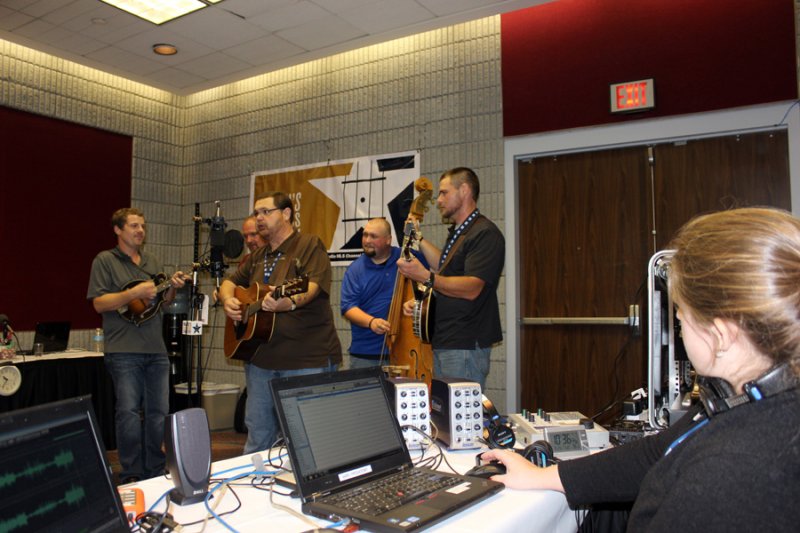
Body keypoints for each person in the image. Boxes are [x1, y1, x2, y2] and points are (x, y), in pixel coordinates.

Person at [482, 207, 800, 531]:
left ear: (721, 335)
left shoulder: (729, 476)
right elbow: (654, 453)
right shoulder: (738, 398)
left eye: (681, 317)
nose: (679, 329)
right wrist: (542, 476)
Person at [219, 191, 342, 453]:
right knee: (258, 435)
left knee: (307, 438)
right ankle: (256, 479)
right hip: (260, 359)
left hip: (305, 360)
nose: (259, 218)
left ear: (286, 213)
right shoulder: (258, 256)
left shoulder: (309, 245)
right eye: (256, 213)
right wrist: (228, 299)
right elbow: (229, 282)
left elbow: (311, 287)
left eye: (266, 212)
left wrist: (289, 302)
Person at [87, 207, 187, 483]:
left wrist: (172, 288)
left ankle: (155, 468)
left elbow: (163, 303)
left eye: (142, 226)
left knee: (159, 412)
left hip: (156, 349)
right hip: (123, 350)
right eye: (133, 226)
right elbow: (99, 303)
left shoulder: (152, 261)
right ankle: (131, 471)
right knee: (129, 412)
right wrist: (134, 292)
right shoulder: (105, 261)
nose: (140, 230)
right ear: (118, 230)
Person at [397, 167, 505, 390]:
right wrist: (419, 239)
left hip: (464, 343)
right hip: (447, 340)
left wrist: (425, 276)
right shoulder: (460, 232)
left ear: (464, 190)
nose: (438, 200)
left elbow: (472, 287)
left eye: (444, 193)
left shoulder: (484, 233)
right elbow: (445, 268)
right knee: (446, 408)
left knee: (460, 410)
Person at [340, 217, 426, 368]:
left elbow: (433, 276)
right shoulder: (354, 270)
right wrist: (371, 322)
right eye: (365, 235)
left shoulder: (407, 257)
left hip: (407, 349)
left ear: (388, 240)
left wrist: (419, 299)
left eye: (373, 236)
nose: (367, 240)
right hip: (366, 353)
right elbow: (348, 307)